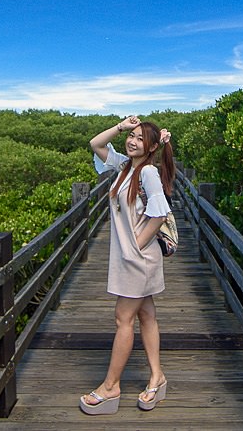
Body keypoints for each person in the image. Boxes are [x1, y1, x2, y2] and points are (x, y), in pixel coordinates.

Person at [79, 115, 176, 415]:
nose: (132, 140)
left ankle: (110, 387)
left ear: (150, 148)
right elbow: (96, 143)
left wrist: (136, 244)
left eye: (139, 138)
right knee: (146, 316)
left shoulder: (147, 173)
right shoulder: (124, 167)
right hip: (131, 259)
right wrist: (120, 125)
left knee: (123, 320)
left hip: (139, 260)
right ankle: (157, 378)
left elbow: (159, 213)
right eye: (130, 135)